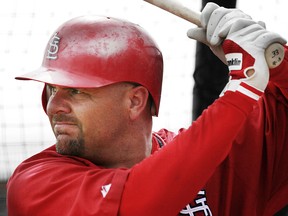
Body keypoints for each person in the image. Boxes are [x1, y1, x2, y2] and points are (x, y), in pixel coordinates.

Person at [6, 3, 288, 215]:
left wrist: (276, 63)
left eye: (76, 91)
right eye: (52, 89)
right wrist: (244, 86)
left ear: (135, 101)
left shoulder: (213, 154)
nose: (53, 105)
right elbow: (140, 203)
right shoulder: (35, 184)